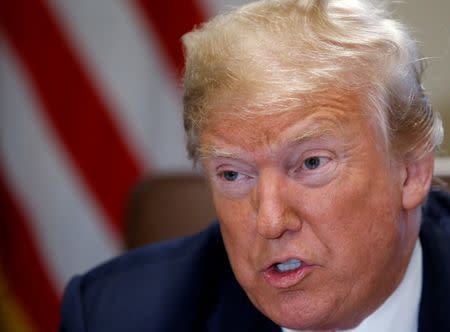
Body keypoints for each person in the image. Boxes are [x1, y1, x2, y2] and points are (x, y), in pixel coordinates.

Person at [59, 0, 450, 331]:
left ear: (412, 171)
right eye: (232, 174)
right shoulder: (113, 316)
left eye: (311, 163)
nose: (270, 221)